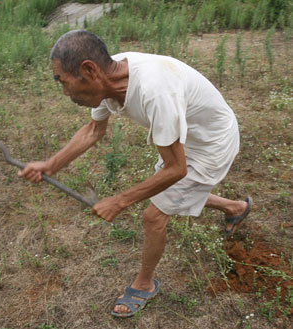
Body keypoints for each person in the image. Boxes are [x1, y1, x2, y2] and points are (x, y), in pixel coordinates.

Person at [18, 30, 252, 317]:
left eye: (64, 83)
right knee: (174, 194)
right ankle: (235, 207)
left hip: (210, 143)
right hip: (186, 137)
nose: (66, 93)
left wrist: (120, 200)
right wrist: (51, 165)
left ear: (88, 70)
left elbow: (176, 169)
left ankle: (144, 284)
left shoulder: (155, 91)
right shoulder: (109, 76)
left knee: (154, 216)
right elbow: (94, 130)